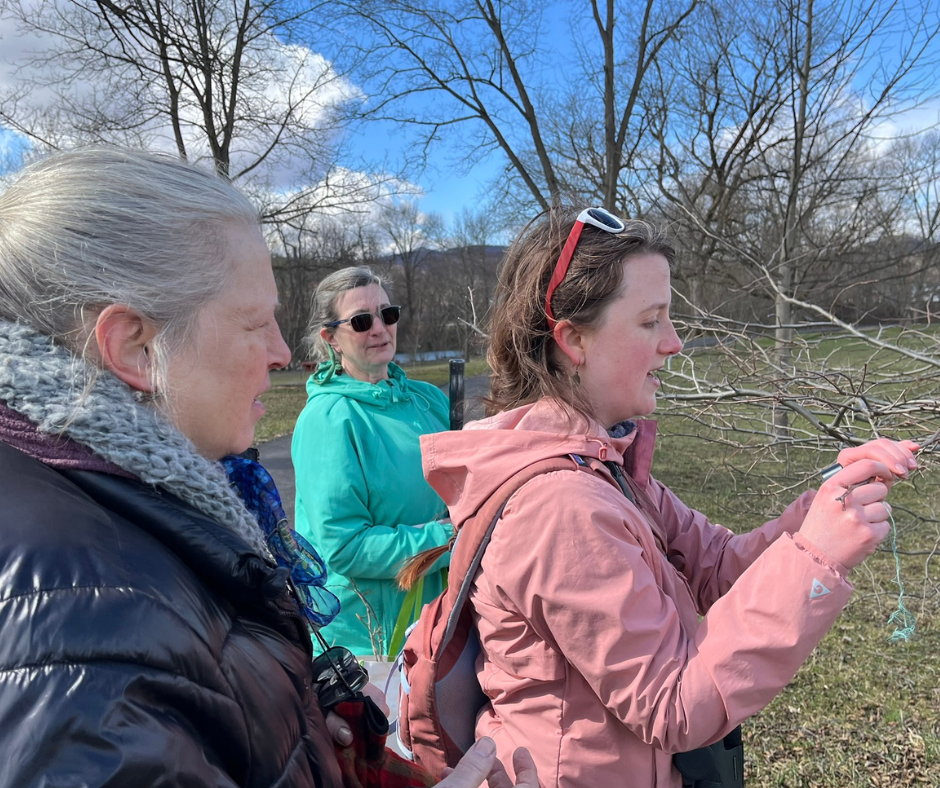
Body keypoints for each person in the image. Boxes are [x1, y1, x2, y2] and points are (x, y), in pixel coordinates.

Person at [0, 147, 536, 788]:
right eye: (255, 323)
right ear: (136, 348)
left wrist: (294, 723)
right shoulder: (86, 624)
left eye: (387, 315)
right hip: (379, 625)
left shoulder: (160, 505)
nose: (282, 352)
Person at [417, 207, 919, 788]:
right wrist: (817, 557)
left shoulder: (603, 466)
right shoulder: (560, 505)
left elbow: (719, 567)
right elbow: (673, 704)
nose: (674, 343)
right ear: (574, 340)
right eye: (651, 321)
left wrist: (824, 510)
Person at [292, 267, 453, 656]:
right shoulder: (328, 420)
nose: (380, 329)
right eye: (361, 321)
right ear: (331, 338)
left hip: (437, 620)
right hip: (370, 640)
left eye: (387, 314)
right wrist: (449, 538)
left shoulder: (429, 400)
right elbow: (345, 546)